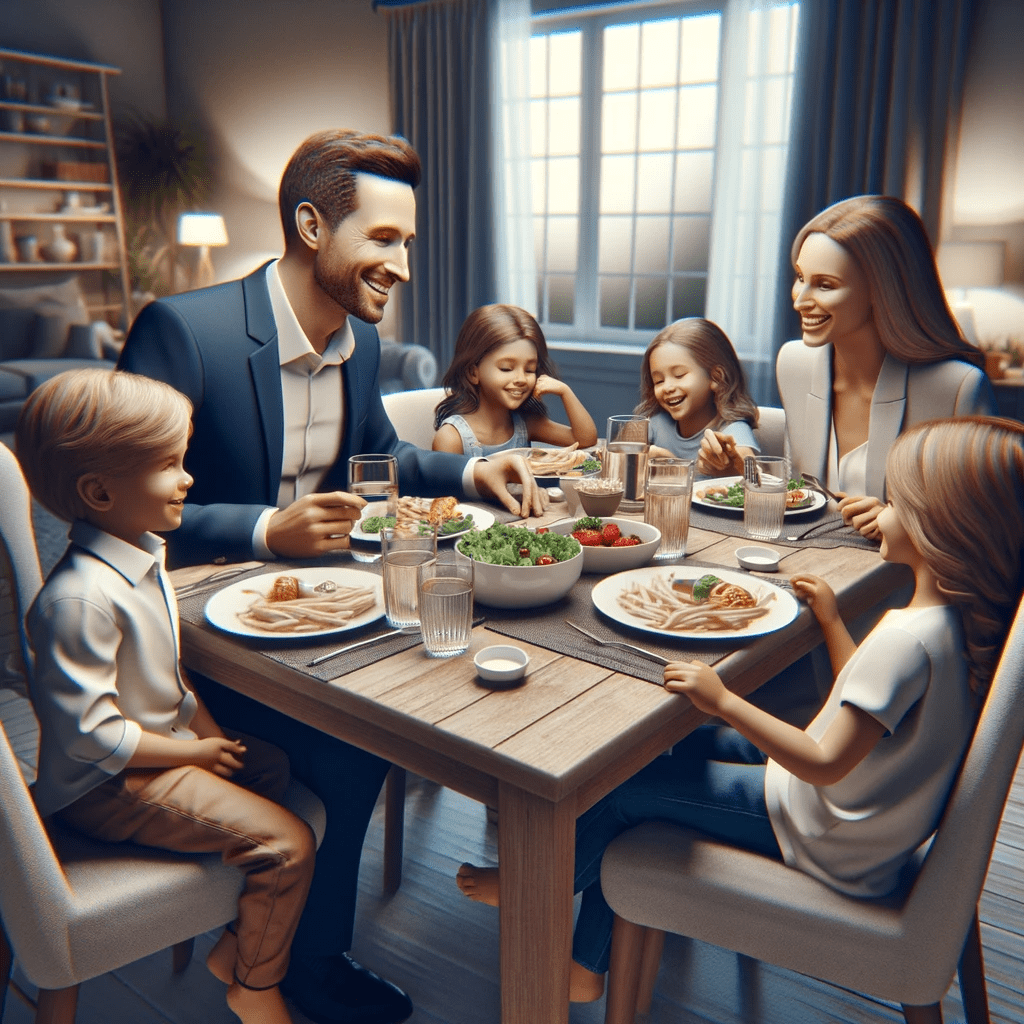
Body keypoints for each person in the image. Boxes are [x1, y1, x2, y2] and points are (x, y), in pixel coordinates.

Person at [118, 130, 542, 1024]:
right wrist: (267, 528)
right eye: (384, 240)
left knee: (403, 706)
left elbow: (381, 458)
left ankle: (282, 947)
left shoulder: (361, 347)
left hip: (318, 625)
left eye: (407, 244)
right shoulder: (184, 332)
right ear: (313, 225)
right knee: (357, 744)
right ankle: (302, 964)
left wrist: (473, 473)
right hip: (195, 652)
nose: (403, 265)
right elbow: (116, 503)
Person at [457, 416, 1024, 1002]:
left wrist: (723, 701)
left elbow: (825, 760)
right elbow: (868, 703)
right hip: (861, 823)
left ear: (944, 528)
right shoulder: (954, 626)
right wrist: (831, 619)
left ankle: (541, 897)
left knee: (628, 795)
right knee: (657, 757)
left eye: (897, 503)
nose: (877, 511)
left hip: (817, 830)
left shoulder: (907, 639)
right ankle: (585, 949)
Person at [16, 368, 317, 1024]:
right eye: (169, 466)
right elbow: (94, 738)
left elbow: (172, 682)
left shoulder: (145, 556)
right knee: (289, 842)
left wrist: (210, 739)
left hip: (155, 749)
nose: (188, 479)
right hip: (105, 785)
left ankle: (237, 941)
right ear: (99, 491)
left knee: (270, 766)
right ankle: (255, 984)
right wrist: (190, 757)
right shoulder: (79, 600)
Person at [778, 194, 996, 538]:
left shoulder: (955, 387)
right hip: (806, 561)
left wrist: (903, 525)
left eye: (825, 285)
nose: (800, 299)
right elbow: (797, 492)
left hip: (901, 583)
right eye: (800, 277)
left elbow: (984, 530)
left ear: (883, 288)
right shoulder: (794, 363)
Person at [432, 303, 597, 455]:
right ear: (473, 373)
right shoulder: (451, 438)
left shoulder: (525, 424)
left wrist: (564, 391)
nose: (521, 379)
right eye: (506, 368)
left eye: (529, 369)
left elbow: (585, 439)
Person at [635, 317, 760, 476]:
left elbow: (752, 475)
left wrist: (729, 465)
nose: (668, 387)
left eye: (679, 375)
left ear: (716, 378)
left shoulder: (732, 430)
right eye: (659, 381)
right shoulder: (655, 424)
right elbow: (616, 457)